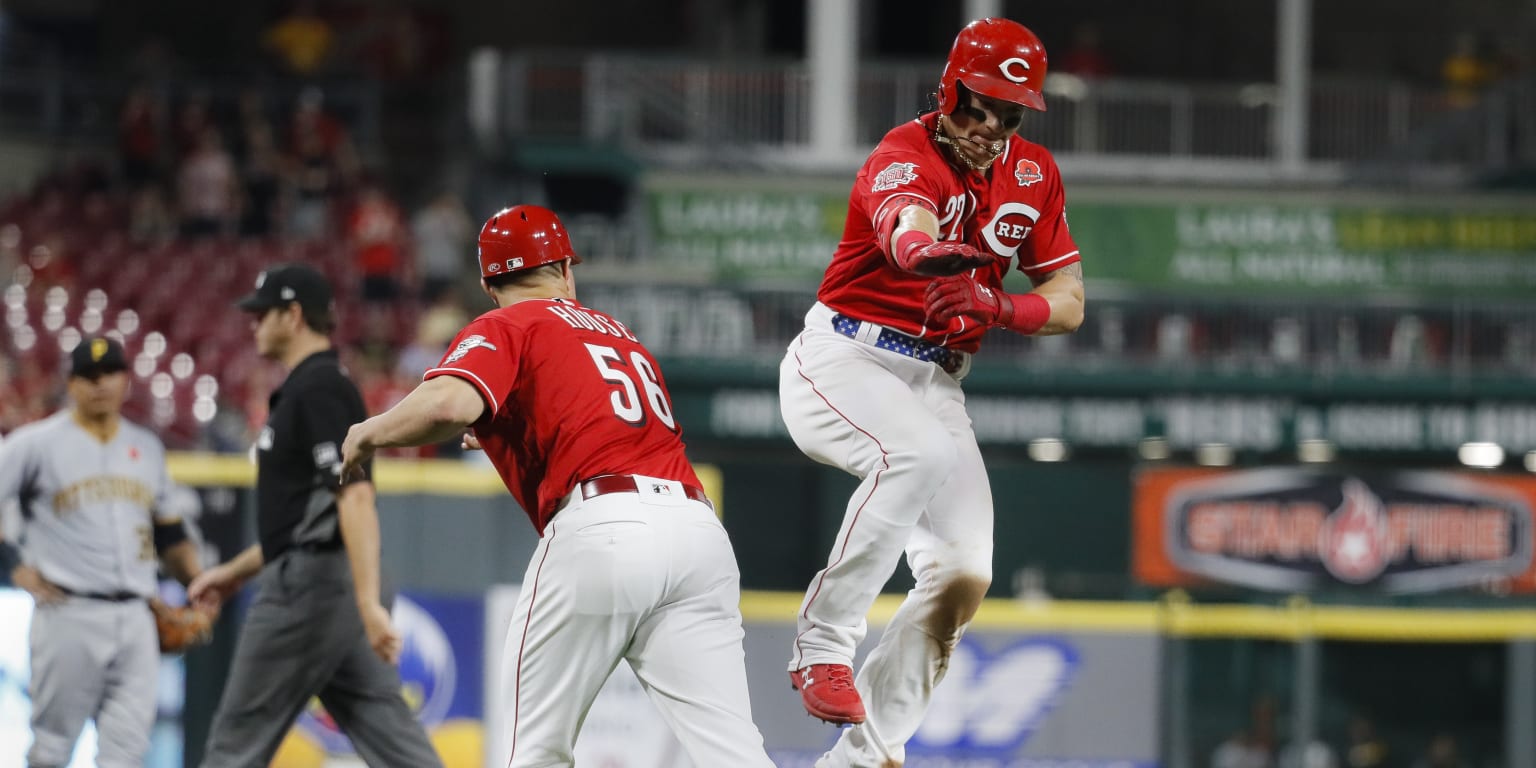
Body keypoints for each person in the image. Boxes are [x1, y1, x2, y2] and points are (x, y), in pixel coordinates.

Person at [338, 204, 775, 768]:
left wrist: (367, 434)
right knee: (733, 754)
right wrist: (504, 430)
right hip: (698, 534)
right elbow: (585, 414)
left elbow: (449, 402)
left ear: (489, 284)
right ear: (566, 269)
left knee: (534, 751)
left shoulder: (507, 322)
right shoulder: (623, 336)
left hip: (608, 528)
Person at [777, 17, 1086, 767]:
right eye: (977, 103)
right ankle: (822, 642)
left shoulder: (1033, 173)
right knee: (911, 454)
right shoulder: (903, 152)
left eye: (1008, 112)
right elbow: (904, 224)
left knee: (964, 572)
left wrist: (1002, 307)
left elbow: (1070, 299)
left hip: (936, 379)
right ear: (949, 89)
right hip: (844, 356)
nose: (989, 124)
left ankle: (865, 758)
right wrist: (931, 258)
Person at [187, 263, 443, 768]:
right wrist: (234, 574)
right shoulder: (309, 388)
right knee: (392, 739)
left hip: (312, 589)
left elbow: (355, 498)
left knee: (235, 744)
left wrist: (370, 603)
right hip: (332, 583)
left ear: (294, 314)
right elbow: (302, 522)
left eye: (262, 313)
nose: (253, 323)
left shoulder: (320, 386)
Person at [0, 336, 209, 768]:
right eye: (89, 376)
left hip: (137, 615)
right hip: (68, 611)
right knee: (51, 750)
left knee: (128, 753)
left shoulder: (146, 447)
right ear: (72, 383)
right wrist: (10, 564)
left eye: (110, 373)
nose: (100, 384)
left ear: (126, 380)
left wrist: (200, 585)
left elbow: (169, 533)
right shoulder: (33, 444)